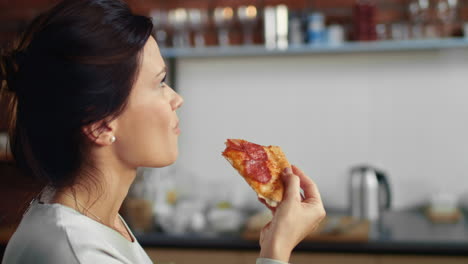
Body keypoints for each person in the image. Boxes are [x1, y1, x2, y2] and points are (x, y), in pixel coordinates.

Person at [0, 0, 326, 263]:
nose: (177, 99)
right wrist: (277, 250)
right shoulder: (78, 253)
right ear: (100, 124)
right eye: (158, 84)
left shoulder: (93, 218)